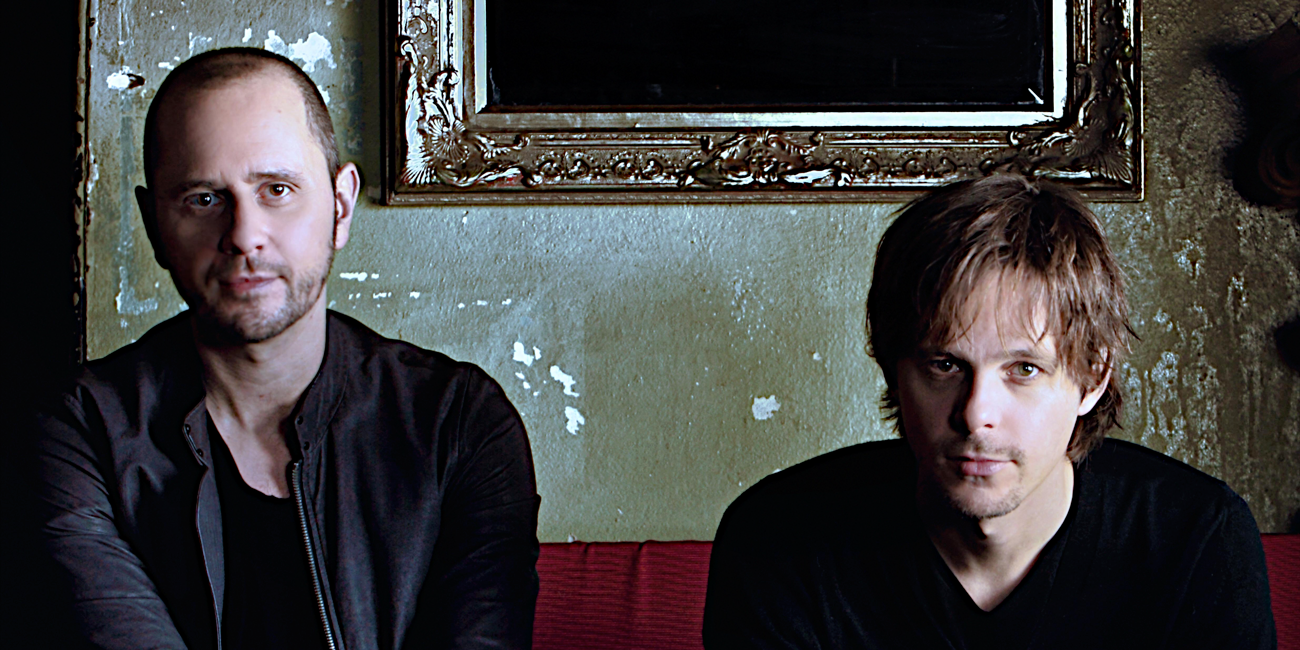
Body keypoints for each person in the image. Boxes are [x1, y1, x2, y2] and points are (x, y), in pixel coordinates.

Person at [25, 48, 540, 650]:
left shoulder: (458, 423)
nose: (244, 235)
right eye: (203, 198)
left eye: (277, 189)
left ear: (340, 207)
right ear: (153, 225)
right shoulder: (82, 432)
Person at [703, 174, 1276, 649]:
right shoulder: (777, 541)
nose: (977, 415)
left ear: (1092, 377)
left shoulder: (1197, 540)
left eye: (1023, 369)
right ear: (894, 369)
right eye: (945, 365)